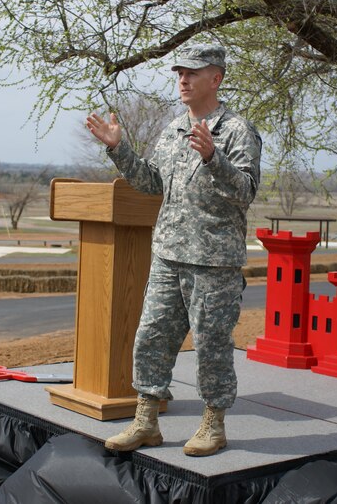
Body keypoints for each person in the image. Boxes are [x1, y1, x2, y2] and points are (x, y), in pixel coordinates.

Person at [86, 44, 262, 457]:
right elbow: (151, 183)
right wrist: (118, 149)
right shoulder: (172, 129)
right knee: (151, 336)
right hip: (168, 254)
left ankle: (213, 426)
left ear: (215, 78)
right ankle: (146, 422)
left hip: (214, 261)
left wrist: (214, 158)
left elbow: (246, 192)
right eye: (179, 73)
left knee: (211, 345)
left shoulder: (237, 131)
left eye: (192, 73)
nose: (182, 80)